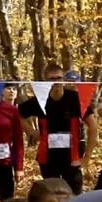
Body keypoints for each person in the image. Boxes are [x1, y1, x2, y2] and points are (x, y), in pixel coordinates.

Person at [19, 63, 85, 194]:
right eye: (51, 79)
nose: (56, 82)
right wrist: (31, 131)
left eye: (59, 78)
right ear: (45, 82)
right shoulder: (39, 100)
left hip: (72, 156)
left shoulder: (74, 98)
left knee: (74, 194)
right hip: (48, 157)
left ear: (63, 79)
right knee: (52, 195)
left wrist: (87, 157)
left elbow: (93, 125)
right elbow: (17, 114)